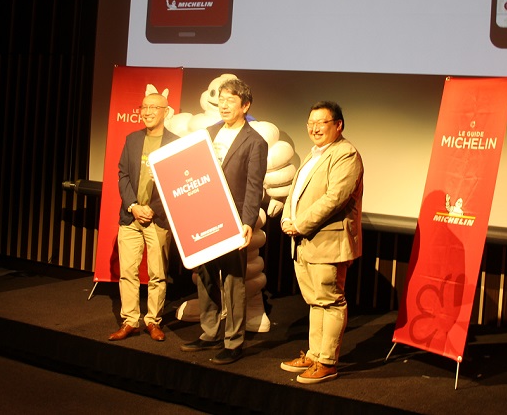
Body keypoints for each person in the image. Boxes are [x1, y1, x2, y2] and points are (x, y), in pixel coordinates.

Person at [180, 78, 268, 364]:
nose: (224, 105)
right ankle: (209, 333)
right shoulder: (208, 133)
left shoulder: (255, 141)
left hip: (233, 220)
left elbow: (254, 186)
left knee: (233, 281)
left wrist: (247, 222)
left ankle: (234, 341)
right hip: (204, 215)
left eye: (231, 100)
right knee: (205, 276)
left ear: (245, 105)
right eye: (221, 100)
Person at [280, 101, 364, 384]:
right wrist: (286, 218)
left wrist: (299, 224)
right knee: (315, 302)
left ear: (338, 125)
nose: (314, 128)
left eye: (321, 123)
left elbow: (335, 199)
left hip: (328, 242)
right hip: (305, 241)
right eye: (311, 123)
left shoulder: (346, 154)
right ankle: (314, 354)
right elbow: (296, 192)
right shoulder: (314, 154)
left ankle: (327, 361)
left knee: (330, 301)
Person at [108, 93, 179, 342]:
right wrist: (133, 206)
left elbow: (176, 182)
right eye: (144, 107)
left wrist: (153, 209)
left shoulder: (175, 143)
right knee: (127, 271)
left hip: (157, 218)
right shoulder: (132, 139)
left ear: (165, 111)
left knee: (157, 274)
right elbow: (123, 175)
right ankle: (130, 321)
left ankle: (153, 321)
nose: (147, 111)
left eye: (153, 107)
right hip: (131, 217)